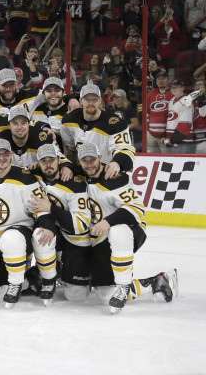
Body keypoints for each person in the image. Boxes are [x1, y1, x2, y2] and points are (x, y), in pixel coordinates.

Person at [74, 142, 178, 313]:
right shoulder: (80, 176)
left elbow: (136, 209)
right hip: (101, 238)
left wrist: (107, 221)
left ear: (100, 158)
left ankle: (123, 285)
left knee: (118, 230)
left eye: (92, 159)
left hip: (130, 229)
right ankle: (155, 282)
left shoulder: (114, 178)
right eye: (84, 161)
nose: (89, 164)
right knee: (105, 296)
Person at [0, 138, 58, 308]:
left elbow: (40, 207)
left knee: (11, 238)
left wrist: (47, 226)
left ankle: (17, 283)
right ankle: (28, 276)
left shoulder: (24, 178)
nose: (2, 158)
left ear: (11, 155)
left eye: (5, 154)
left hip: (20, 233)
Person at [27, 143, 91, 303]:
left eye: (51, 160)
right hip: (53, 231)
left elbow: (80, 224)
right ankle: (47, 275)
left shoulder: (76, 184)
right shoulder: (33, 177)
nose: (48, 165)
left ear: (58, 160)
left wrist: (51, 209)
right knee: (40, 234)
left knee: (76, 295)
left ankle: (82, 271)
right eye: (43, 161)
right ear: (38, 163)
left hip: (75, 239)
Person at [60, 83, 135, 175]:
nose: (91, 103)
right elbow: (69, 148)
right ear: (80, 101)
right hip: (80, 175)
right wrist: (67, 165)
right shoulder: (70, 119)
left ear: (100, 101)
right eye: (87, 99)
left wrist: (117, 163)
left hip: (105, 174)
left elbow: (125, 149)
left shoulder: (115, 123)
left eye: (94, 100)